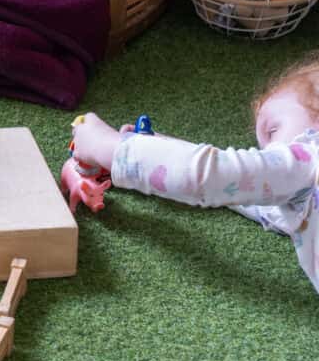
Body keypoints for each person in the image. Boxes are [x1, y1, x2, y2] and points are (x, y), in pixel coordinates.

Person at [71, 57, 319, 293]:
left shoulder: (310, 157)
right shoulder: (305, 192)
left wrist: (108, 147)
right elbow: (251, 191)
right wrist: (162, 146)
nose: (268, 152)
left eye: (272, 130)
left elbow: (207, 176)